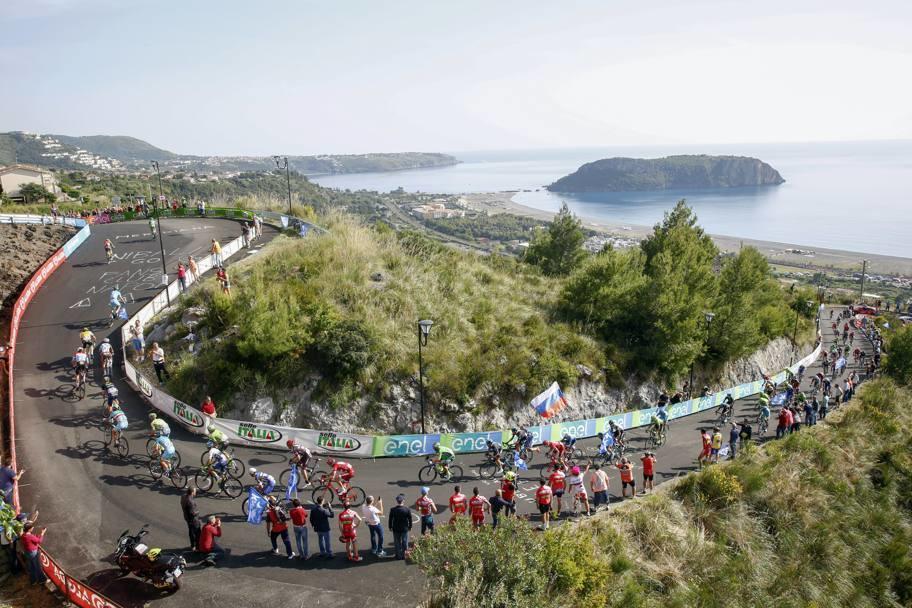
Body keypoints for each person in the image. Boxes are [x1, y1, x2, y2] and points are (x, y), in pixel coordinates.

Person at [388, 494, 412, 559]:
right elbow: (410, 519)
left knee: (397, 542)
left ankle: (398, 555)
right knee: (405, 542)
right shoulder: (407, 509)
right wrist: (410, 527)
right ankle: (405, 555)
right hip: (404, 528)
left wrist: (390, 527)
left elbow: (390, 519)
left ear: (397, 501)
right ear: (403, 501)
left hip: (396, 528)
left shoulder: (393, 509)